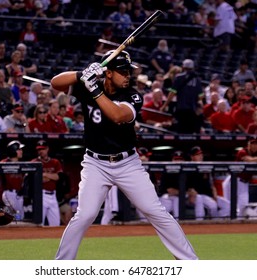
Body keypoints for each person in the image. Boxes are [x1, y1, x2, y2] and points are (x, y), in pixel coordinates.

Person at [51, 49, 198, 260]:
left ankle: (191, 263)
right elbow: (55, 83)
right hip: (95, 163)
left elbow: (118, 115)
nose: (127, 75)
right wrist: (81, 74)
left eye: (129, 71)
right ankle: (61, 266)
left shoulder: (132, 94)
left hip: (127, 163)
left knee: (155, 211)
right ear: (108, 72)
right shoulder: (89, 84)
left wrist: (94, 90)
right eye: (122, 71)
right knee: (85, 215)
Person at [161, 59, 204, 134]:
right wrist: (199, 106)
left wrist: (165, 105)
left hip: (181, 108)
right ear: (193, 68)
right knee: (190, 132)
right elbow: (201, 96)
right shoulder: (197, 79)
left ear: (183, 67)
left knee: (181, 131)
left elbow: (172, 93)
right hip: (192, 110)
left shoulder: (178, 77)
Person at [186, 146, 230, 220]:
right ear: (192, 157)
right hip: (198, 195)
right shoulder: (188, 168)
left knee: (228, 205)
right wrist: (190, 191)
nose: (200, 156)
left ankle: (218, 221)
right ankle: (212, 223)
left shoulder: (206, 167)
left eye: (201, 154)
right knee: (213, 206)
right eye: (197, 155)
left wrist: (215, 195)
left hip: (209, 195)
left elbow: (211, 184)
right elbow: (186, 185)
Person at [223, 137, 257, 218]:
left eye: (256, 144)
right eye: (252, 144)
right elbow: (248, 160)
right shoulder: (242, 152)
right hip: (233, 181)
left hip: (244, 183)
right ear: (248, 145)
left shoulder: (255, 155)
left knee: (243, 206)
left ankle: (237, 225)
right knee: (229, 206)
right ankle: (224, 225)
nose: (254, 146)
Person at [31, 140, 62, 226]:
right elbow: (37, 180)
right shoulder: (34, 162)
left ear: (47, 149)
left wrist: (44, 174)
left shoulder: (55, 162)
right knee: (40, 224)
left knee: (56, 224)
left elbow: (57, 177)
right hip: (41, 195)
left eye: (43, 149)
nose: (41, 151)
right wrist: (50, 176)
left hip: (53, 195)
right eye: (39, 149)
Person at [1, 140, 26, 219]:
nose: (21, 151)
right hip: (9, 193)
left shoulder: (22, 164)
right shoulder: (4, 162)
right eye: (19, 149)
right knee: (16, 216)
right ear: (13, 151)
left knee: (20, 217)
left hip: (19, 194)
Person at [159, 150, 185, 220]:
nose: (178, 162)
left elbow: (189, 189)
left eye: (180, 159)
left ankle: (178, 221)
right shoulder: (166, 171)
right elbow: (168, 190)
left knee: (176, 200)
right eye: (176, 159)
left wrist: (180, 192)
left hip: (182, 197)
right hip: (166, 197)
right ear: (172, 160)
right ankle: (178, 221)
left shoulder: (188, 171)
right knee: (170, 203)